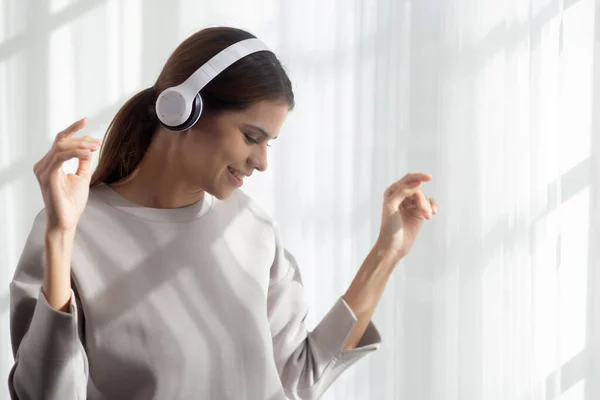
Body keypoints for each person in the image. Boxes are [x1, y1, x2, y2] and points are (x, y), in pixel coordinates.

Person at [8, 27, 438, 400]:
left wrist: (388, 252)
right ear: (182, 111)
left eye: (269, 142)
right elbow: (47, 395)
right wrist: (61, 236)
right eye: (252, 137)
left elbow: (302, 377)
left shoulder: (253, 228)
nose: (262, 162)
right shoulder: (72, 229)